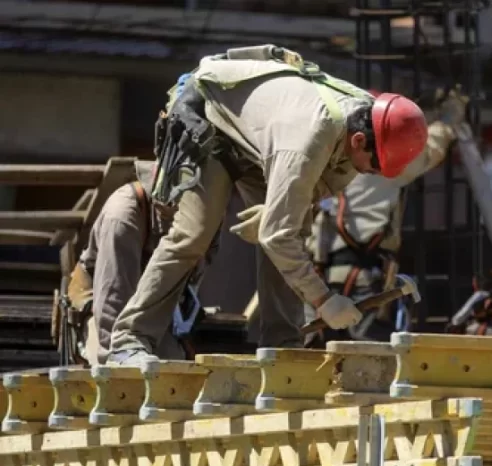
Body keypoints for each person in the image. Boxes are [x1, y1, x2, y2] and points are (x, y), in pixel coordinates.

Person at [105, 44, 428, 365]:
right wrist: (323, 299)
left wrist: (279, 212)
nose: (369, 173)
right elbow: (278, 236)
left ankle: (283, 347)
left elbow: (310, 197)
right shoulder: (308, 139)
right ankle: (129, 339)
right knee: (194, 235)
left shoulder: (367, 120)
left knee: (292, 232)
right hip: (209, 117)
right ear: (358, 141)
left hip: (260, 139)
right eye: (371, 166)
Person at [301, 88, 468, 347]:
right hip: (362, 277)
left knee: (311, 347)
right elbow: (430, 148)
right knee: (366, 350)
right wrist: (450, 115)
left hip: (317, 277)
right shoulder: (384, 162)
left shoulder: (329, 155)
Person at [65, 160, 218, 365]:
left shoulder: (206, 213)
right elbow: (112, 306)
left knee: (176, 371)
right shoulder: (122, 216)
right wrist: (116, 369)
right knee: (124, 369)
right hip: (102, 310)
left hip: (153, 307)